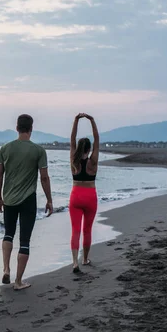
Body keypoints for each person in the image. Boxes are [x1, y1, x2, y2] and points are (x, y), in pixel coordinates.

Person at [0, 114, 53, 290]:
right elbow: (44, 177)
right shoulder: (38, 151)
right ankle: (18, 282)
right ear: (31, 128)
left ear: (17, 127)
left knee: (8, 233)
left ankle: (6, 268)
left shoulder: (5, 148)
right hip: (28, 200)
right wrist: (49, 200)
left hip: (9, 199)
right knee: (25, 240)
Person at [69, 113, 100, 273]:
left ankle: (75, 262)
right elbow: (97, 139)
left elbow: (72, 139)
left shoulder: (73, 160)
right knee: (87, 229)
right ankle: (85, 259)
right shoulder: (93, 160)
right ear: (89, 149)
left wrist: (76, 120)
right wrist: (92, 120)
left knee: (75, 230)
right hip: (90, 196)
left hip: (75, 195)